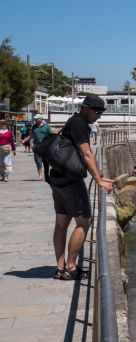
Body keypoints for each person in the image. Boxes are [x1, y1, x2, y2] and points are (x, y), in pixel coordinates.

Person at [49, 95, 113, 280]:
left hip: (58, 178)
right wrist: (99, 180)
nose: (99, 116)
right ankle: (70, 267)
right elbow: (86, 153)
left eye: (101, 112)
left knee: (61, 224)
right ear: (85, 108)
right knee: (84, 222)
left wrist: (99, 175)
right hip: (71, 181)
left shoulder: (72, 122)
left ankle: (60, 268)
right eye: (97, 111)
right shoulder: (79, 124)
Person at [26, 114, 52, 181]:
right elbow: (31, 136)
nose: (35, 120)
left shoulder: (47, 127)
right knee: (38, 162)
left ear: (41, 119)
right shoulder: (34, 127)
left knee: (46, 162)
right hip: (37, 147)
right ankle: (40, 175)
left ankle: (46, 175)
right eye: (35, 119)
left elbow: (51, 135)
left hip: (45, 147)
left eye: (37, 119)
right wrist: (31, 144)